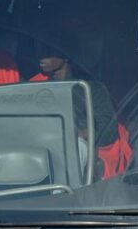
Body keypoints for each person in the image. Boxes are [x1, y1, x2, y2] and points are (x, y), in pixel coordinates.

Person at [29, 42, 132, 180]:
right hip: (45, 147)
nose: (41, 56)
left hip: (83, 148)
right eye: (40, 49)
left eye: (48, 51)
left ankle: (62, 192)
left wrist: (78, 134)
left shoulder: (92, 88)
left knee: (74, 147)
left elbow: (109, 130)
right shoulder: (36, 86)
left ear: (65, 56)